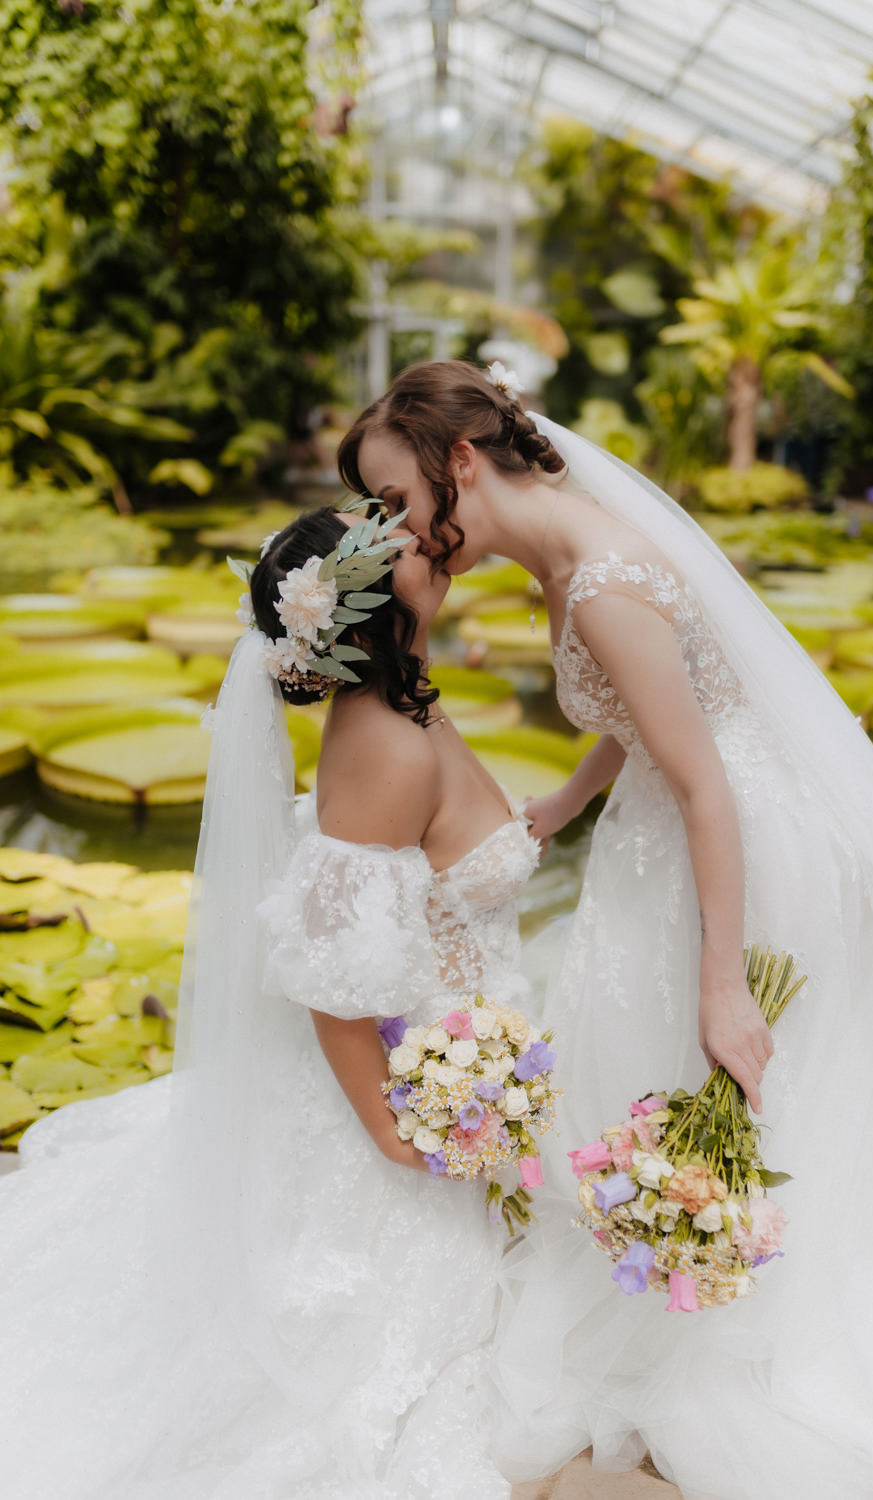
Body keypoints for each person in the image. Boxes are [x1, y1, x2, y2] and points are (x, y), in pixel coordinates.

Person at [338, 359, 873, 1500]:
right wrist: (568, 800)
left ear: (458, 463)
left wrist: (724, 983)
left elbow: (706, 784)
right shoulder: (571, 555)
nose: (394, 533)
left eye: (397, 502)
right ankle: (694, 1275)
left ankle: (740, 1332)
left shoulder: (598, 578)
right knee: (642, 1074)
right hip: (676, 824)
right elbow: (652, 710)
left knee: (702, 1065)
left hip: (736, 848)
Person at [0, 505, 540, 1500]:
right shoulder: (387, 746)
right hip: (404, 1099)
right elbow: (334, 987)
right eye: (391, 538)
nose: (418, 531)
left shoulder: (406, 703)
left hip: (463, 1053)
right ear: (372, 604)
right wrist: (399, 1136)